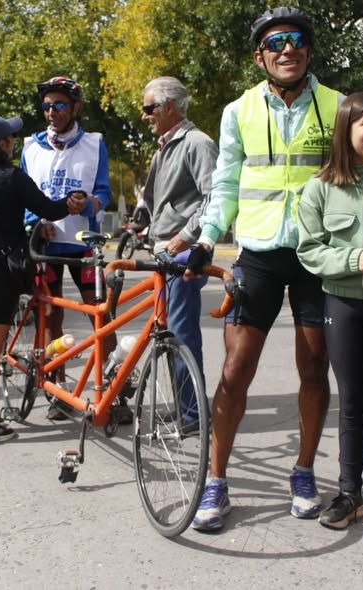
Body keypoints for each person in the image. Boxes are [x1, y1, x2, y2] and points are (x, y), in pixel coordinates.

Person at [187, 7, 343, 531]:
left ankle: (303, 472)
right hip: (257, 253)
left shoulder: (337, 106)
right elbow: (226, 183)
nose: (287, 49)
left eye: (296, 40)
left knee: (314, 366)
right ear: (260, 57)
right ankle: (216, 480)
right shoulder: (239, 111)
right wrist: (207, 237)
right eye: (276, 43)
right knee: (236, 369)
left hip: (316, 254)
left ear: (309, 50)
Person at [0, 113, 87, 446]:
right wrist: (70, 203)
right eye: (11, 137)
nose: (14, 142)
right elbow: (48, 209)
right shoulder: (11, 177)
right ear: (2, 144)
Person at [297, 91, 363, 540]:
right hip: (341, 303)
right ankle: (350, 494)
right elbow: (309, 250)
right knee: (351, 401)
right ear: (346, 129)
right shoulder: (320, 187)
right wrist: (354, 259)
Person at [20, 76, 120, 421]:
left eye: (59, 105)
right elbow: (23, 196)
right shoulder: (30, 147)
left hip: (83, 244)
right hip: (46, 245)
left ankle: (113, 390)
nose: (52, 112)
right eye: (47, 106)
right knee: (50, 316)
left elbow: (104, 192)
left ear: (75, 108)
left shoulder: (94, 144)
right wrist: (35, 222)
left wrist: (89, 203)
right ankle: (58, 390)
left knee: (100, 316)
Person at [141, 76, 218, 386]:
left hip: (183, 252)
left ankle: (189, 410)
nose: (144, 116)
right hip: (164, 249)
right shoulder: (164, 147)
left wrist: (186, 236)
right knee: (166, 331)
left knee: (180, 334)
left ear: (168, 106)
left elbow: (215, 197)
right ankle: (182, 404)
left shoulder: (197, 143)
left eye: (149, 108)